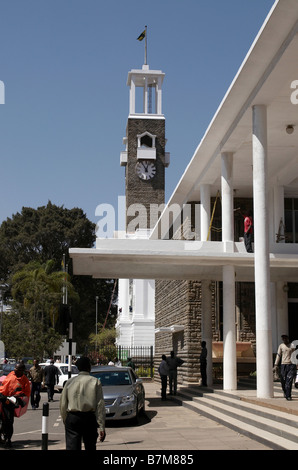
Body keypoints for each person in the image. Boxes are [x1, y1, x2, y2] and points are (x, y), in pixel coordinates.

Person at [60, 356, 106, 451]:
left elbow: (63, 404)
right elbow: (100, 405)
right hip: (89, 418)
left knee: (72, 447)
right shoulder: (95, 382)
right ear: (89, 368)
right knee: (90, 446)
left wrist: (66, 420)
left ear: (78, 368)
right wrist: (101, 426)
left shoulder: (69, 382)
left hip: (73, 417)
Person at [0, 362, 31, 448]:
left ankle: (8, 439)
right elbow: (3, 387)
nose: (15, 370)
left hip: (11, 402)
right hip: (3, 398)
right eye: (15, 368)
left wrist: (19, 395)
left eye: (17, 369)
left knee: (9, 421)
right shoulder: (11, 375)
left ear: (22, 370)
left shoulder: (24, 380)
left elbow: (26, 392)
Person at [273, 335, 296, 400]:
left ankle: (288, 395)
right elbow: (278, 355)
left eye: (285, 338)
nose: (284, 340)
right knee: (283, 380)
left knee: (289, 380)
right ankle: (285, 392)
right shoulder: (281, 346)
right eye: (283, 339)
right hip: (283, 365)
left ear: (288, 339)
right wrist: (276, 364)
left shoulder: (292, 346)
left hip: (291, 364)